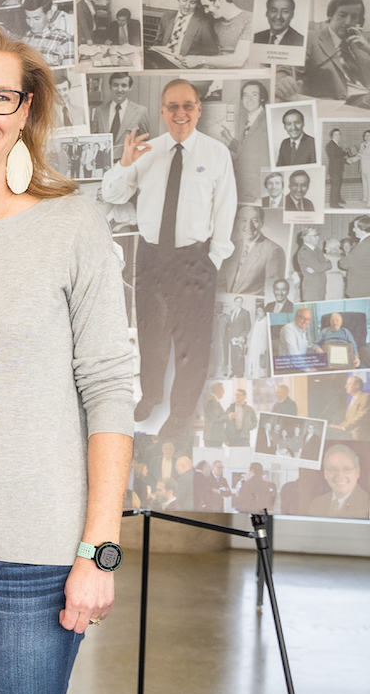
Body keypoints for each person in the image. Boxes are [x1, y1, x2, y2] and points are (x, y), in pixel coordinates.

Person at [101, 78, 237, 435]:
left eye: (188, 106)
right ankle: (151, 397)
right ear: (162, 112)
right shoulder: (147, 152)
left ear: (198, 110)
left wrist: (215, 260)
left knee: (192, 340)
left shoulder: (216, 154)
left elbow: (226, 211)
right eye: (173, 107)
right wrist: (125, 163)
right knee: (152, 333)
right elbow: (111, 195)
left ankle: (180, 413)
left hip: (194, 259)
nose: (181, 113)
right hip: (151, 257)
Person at [302, 0, 368, 100]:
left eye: (354, 17)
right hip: (340, 104)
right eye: (342, 15)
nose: (347, 22)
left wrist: (368, 50)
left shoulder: (360, 43)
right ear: (330, 15)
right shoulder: (311, 40)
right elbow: (289, 72)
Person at [177, 0, 253, 69]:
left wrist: (200, 60)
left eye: (207, 6)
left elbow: (239, 60)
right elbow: (216, 57)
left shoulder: (250, 19)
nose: (206, 11)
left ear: (219, 0)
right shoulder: (216, 23)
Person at [219, 204, 282, 296]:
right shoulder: (231, 247)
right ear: (237, 223)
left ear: (262, 222)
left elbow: (273, 292)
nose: (249, 225)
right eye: (244, 220)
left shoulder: (273, 250)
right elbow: (220, 282)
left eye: (254, 220)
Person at [225, 80, 269, 204]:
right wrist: (230, 139)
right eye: (245, 95)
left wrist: (264, 192)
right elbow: (247, 149)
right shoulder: (249, 119)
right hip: (244, 187)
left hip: (258, 191)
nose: (249, 99)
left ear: (262, 98)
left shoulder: (267, 119)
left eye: (254, 95)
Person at [298, 445, 370, 517]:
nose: (340, 476)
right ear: (325, 474)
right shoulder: (317, 503)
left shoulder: (367, 505)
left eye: (347, 469)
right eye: (333, 470)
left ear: (357, 472)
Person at [90, 72, 148, 158]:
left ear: (130, 88)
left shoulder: (140, 111)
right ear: (110, 87)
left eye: (124, 86)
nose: (119, 90)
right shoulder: (99, 111)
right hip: (104, 162)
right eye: (115, 85)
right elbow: (93, 138)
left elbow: (145, 141)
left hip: (129, 163)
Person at [20, 0, 72, 64]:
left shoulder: (64, 41)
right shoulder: (25, 39)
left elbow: (68, 72)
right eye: (28, 18)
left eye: (36, 18)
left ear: (49, 15)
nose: (31, 23)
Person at [292, 227, 325, 301]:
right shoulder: (304, 252)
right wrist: (326, 264)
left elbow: (325, 265)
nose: (318, 238)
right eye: (315, 236)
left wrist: (326, 264)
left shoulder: (317, 249)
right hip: (311, 290)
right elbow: (320, 267)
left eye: (318, 235)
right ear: (307, 238)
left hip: (321, 287)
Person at [326, 129, 350, 207]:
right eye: (336, 134)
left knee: (339, 185)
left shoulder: (337, 144)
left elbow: (338, 155)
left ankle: (338, 199)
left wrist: (345, 152)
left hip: (338, 168)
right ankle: (333, 203)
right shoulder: (330, 145)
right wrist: (346, 160)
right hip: (334, 169)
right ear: (332, 135)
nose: (338, 136)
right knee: (335, 186)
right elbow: (333, 158)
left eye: (339, 134)